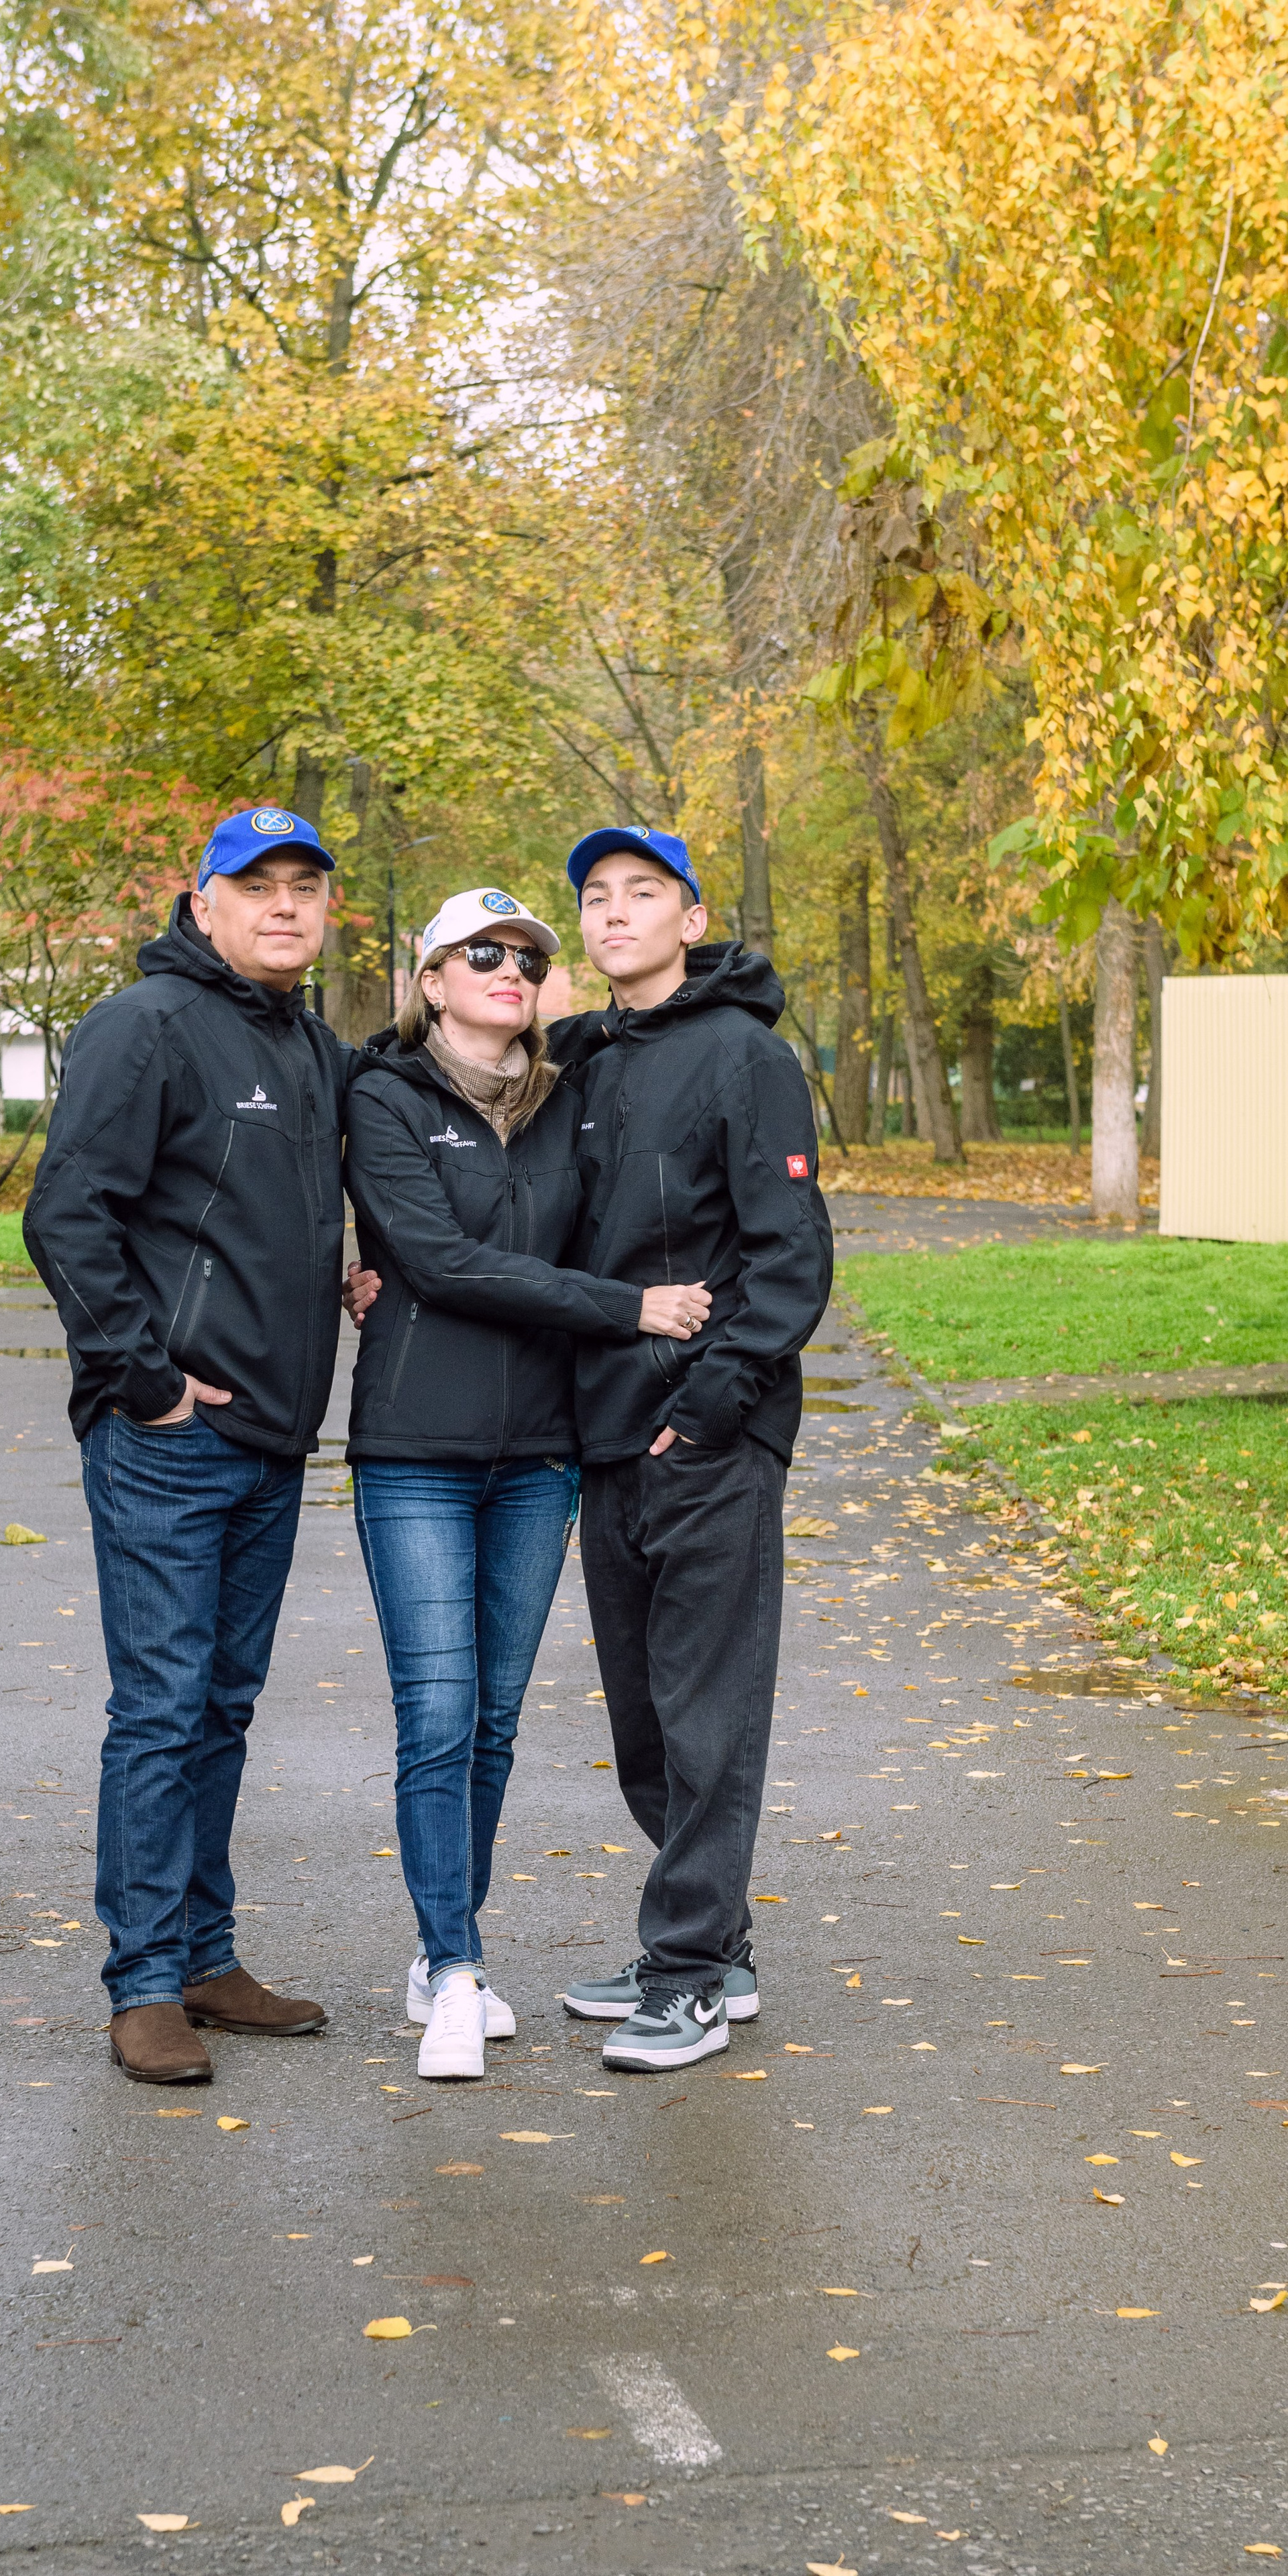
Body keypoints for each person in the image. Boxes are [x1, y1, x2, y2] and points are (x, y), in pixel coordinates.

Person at [343, 887, 713, 2081]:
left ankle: (441, 1948)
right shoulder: (382, 1095)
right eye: (480, 953)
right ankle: (455, 1972)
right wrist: (626, 1310)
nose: (509, 969)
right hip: (417, 1452)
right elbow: (440, 1262)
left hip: (541, 1454)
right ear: (432, 976)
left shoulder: (570, 1099)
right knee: (438, 1715)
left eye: (529, 957)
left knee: (494, 1724)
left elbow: (620, 1189)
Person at [23, 804, 354, 2088]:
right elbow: (69, 1214)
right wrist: (142, 1380)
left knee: (222, 1704)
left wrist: (356, 1269)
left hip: (274, 1436)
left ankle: (206, 1956)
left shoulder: (313, 1045)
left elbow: (283, 1211)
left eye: (304, 888)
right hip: (171, 1438)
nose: (283, 906)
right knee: (160, 1708)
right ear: (202, 902)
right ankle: (144, 1983)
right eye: (255, 885)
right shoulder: (142, 1025)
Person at [548, 826, 833, 2073]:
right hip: (602, 1430)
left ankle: (685, 1976)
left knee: (709, 1711)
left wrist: (714, 1404)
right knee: (648, 1723)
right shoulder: (581, 1060)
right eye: (597, 898)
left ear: (692, 918)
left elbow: (790, 1258)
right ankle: (714, 1948)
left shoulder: (745, 1059)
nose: (616, 914)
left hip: (708, 1434)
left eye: (641, 895)